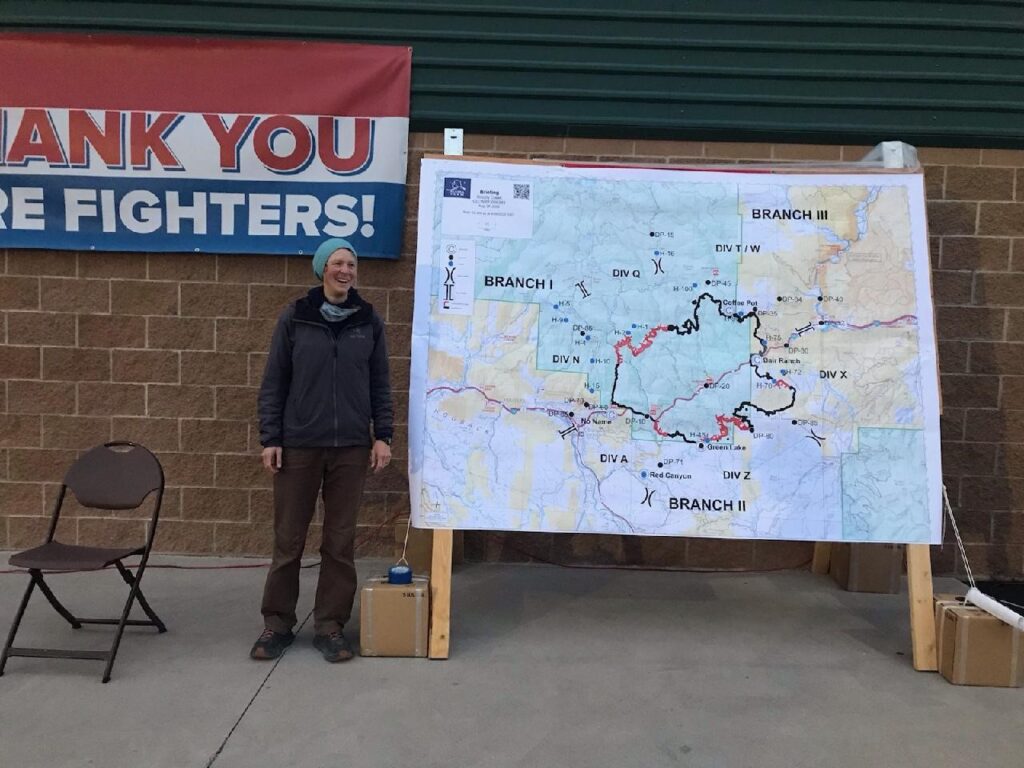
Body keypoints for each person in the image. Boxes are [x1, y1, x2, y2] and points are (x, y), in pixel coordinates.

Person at [251, 237, 393, 663]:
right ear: (322, 269)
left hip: (351, 448)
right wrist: (271, 438)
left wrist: (382, 435)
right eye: (337, 263)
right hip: (299, 446)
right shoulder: (296, 318)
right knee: (288, 540)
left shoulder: (369, 321)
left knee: (339, 542)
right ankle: (276, 624)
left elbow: (379, 384)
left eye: (351, 263)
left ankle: (330, 626)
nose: (345, 270)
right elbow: (274, 381)